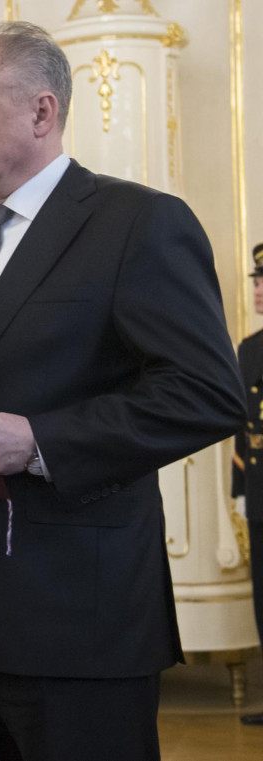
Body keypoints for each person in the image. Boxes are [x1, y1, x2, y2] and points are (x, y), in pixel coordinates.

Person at [0, 21, 245, 761]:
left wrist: (42, 442)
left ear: (42, 112)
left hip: (76, 619)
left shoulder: (138, 223)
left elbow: (206, 392)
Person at [231, 241, 263, 728]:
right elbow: (242, 422)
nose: (258, 289)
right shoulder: (251, 348)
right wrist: (239, 486)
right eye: (256, 281)